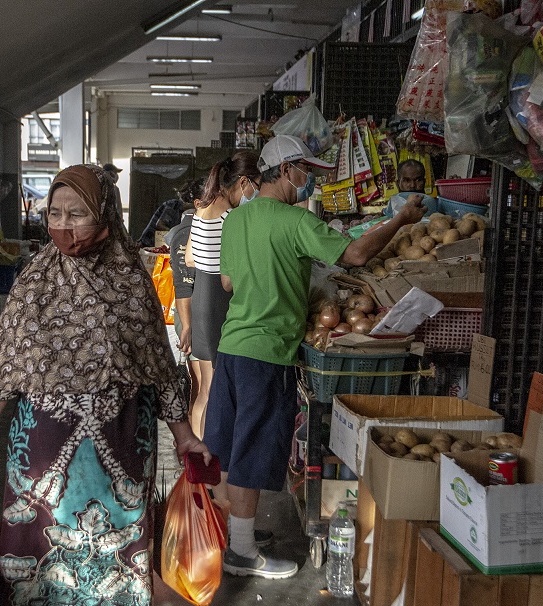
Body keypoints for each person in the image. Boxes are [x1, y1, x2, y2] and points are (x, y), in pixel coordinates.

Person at [0, 164, 210, 606]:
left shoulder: (131, 280)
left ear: (105, 215)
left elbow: (160, 366)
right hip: (45, 453)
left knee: (115, 554)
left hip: (120, 447)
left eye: (77, 214)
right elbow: (1, 373)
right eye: (55, 214)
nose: (64, 225)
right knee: (49, 554)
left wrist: (184, 434)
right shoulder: (35, 281)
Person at [207, 135, 426, 580]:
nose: (311, 182)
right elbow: (357, 254)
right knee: (251, 451)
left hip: (232, 347)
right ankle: (242, 554)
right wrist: (401, 219)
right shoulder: (293, 222)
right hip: (267, 352)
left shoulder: (235, 219)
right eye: (307, 172)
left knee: (232, 447)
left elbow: (228, 283)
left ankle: (237, 535)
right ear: (287, 171)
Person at [184, 151, 261, 442]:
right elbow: (230, 280)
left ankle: (198, 460)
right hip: (218, 299)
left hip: (202, 295)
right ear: (243, 182)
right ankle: (211, 458)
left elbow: (190, 258)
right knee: (218, 392)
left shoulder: (203, 207)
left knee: (205, 389)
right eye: (256, 184)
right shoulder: (231, 216)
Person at [163, 179, 204, 425]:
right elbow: (183, 285)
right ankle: (197, 454)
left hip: (196, 315)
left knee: (201, 389)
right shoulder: (185, 234)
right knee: (199, 388)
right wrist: (187, 327)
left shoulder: (183, 231)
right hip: (192, 315)